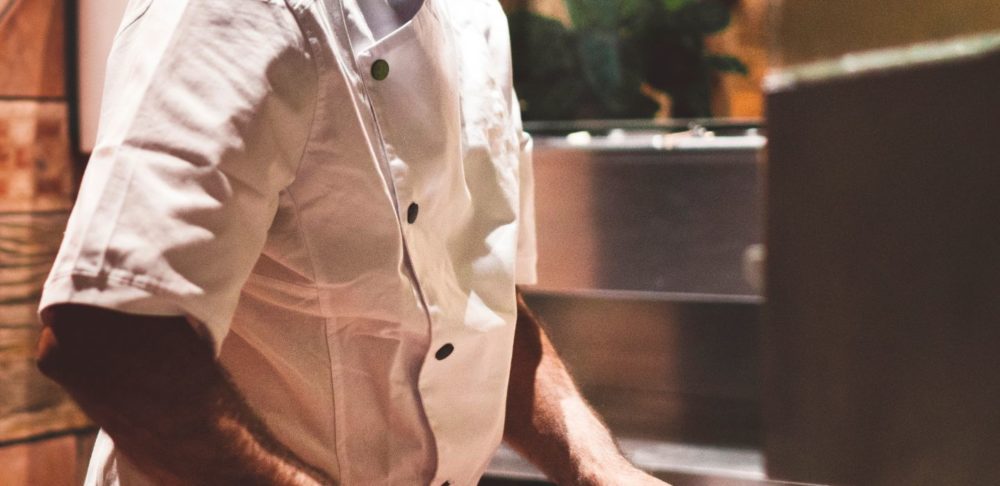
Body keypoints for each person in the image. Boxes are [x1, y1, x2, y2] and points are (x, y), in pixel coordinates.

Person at [35, 0, 667, 484]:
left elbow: (478, 303)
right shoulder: (231, 13)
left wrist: (601, 468)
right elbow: (105, 332)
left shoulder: (475, 17)